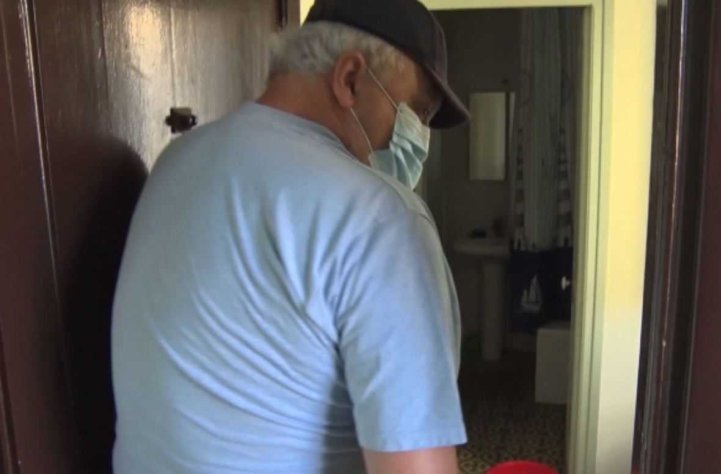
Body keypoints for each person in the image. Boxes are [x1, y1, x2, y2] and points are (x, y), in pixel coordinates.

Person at [110, 0, 470, 473]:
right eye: (416, 112)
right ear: (350, 79)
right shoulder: (381, 217)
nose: (418, 137)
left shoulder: (176, 162)